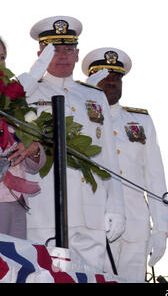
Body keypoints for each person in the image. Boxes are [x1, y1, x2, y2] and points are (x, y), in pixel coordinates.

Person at [17, 17, 126, 273]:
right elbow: (6, 102)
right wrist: (34, 72)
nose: (63, 56)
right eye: (54, 50)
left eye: (68, 50)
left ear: (77, 54)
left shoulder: (94, 96)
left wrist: (117, 207)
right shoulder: (28, 92)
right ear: (40, 54)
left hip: (90, 213)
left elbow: (109, 158)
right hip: (43, 213)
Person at [82, 47, 168, 282]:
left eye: (117, 78)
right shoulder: (79, 115)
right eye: (105, 77)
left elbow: (155, 177)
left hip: (135, 225)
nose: (112, 83)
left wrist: (161, 228)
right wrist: (84, 95)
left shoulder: (140, 121)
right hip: (93, 223)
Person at [0, 36, 47, 240]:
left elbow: (35, 164)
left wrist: (34, 148)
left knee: (14, 268)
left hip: (14, 200)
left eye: (2, 57)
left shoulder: (17, 103)